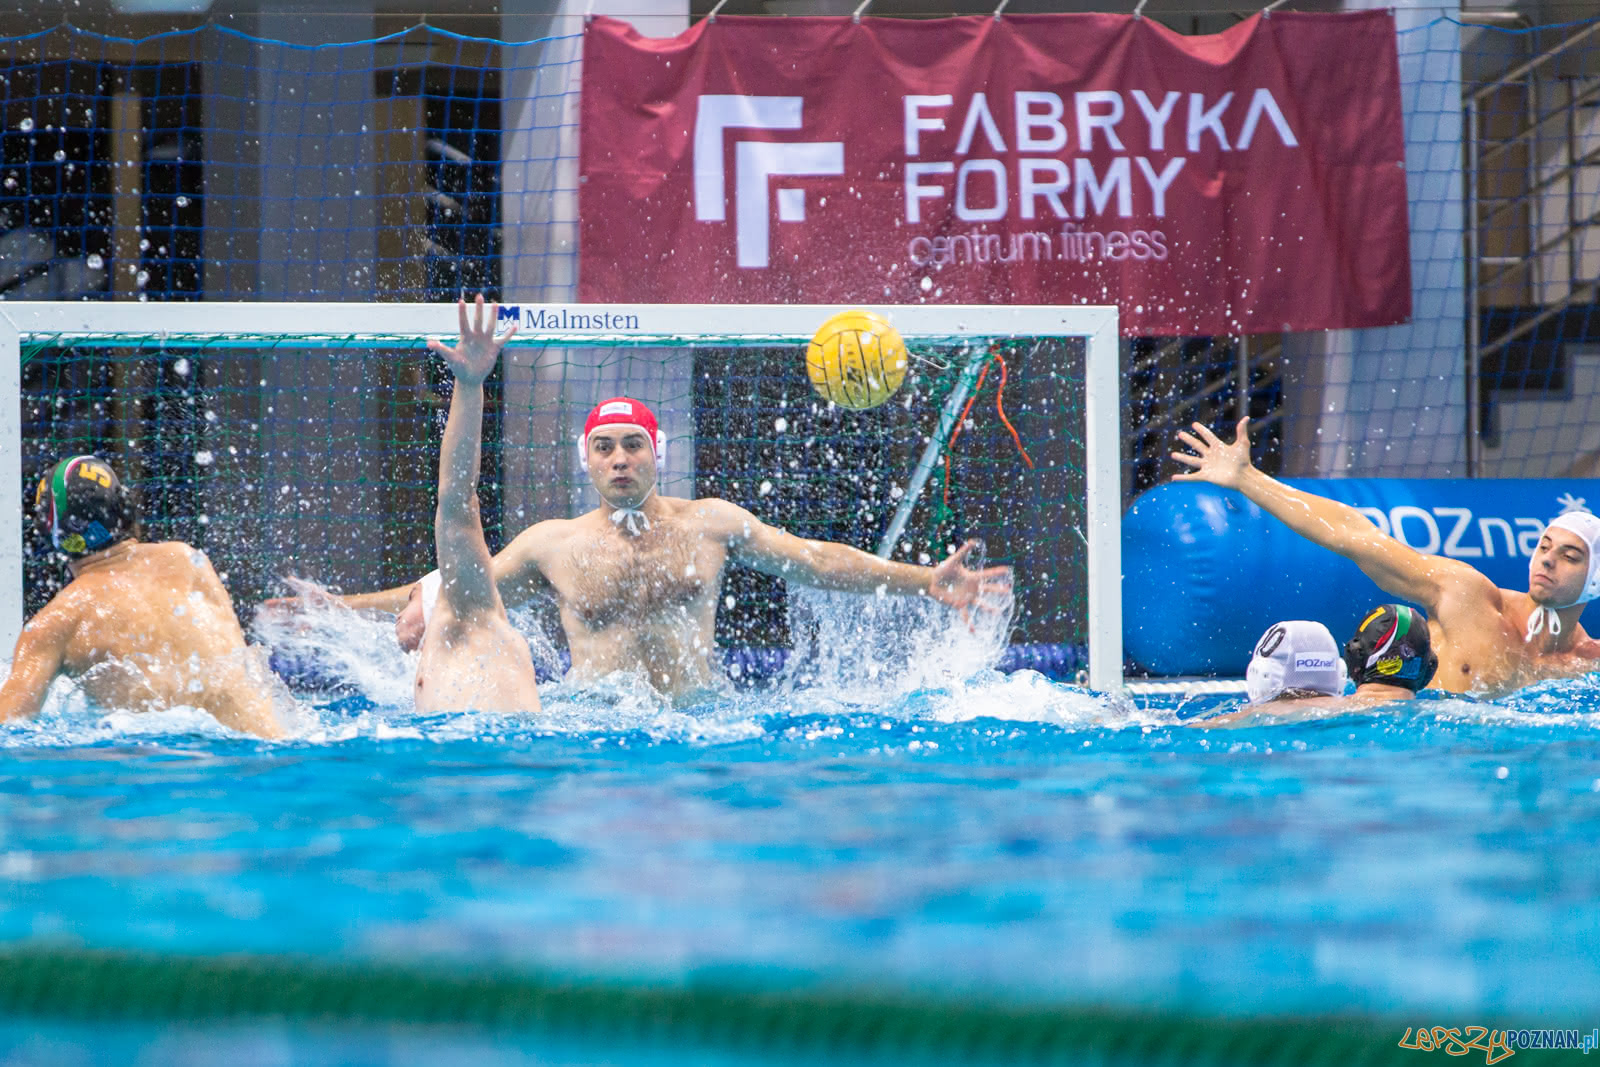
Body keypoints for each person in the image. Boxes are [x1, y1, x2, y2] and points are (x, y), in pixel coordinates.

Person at [310, 370, 1012, 704]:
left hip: (699, 724)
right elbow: (462, 583)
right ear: (585, 459)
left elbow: (813, 560)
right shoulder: (553, 544)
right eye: (606, 447)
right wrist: (341, 607)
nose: (620, 459)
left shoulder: (711, 524)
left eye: (633, 446)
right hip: (596, 727)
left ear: (656, 453)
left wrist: (923, 580)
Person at [1172, 417, 1600, 696]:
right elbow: (1354, 535)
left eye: (1569, 556)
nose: (1546, 561)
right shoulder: (1468, 597)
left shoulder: (1587, 665)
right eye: (1543, 547)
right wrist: (1248, 480)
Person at [0, 455, 285, 738]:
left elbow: (8, 729)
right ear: (123, 509)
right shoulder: (190, 562)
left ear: (48, 532)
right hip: (269, 750)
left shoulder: (55, 624)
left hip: (172, 771)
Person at [411, 296, 542, 714]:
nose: (400, 615)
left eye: (411, 596)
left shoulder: (468, 619)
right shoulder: (433, 657)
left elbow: (455, 503)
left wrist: (468, 386)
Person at [1200, 604, 1438, 727]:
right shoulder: (1437, 711)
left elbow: (1202, 730)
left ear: (1355, 660)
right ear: (1427, 671)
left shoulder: (1309, 709)